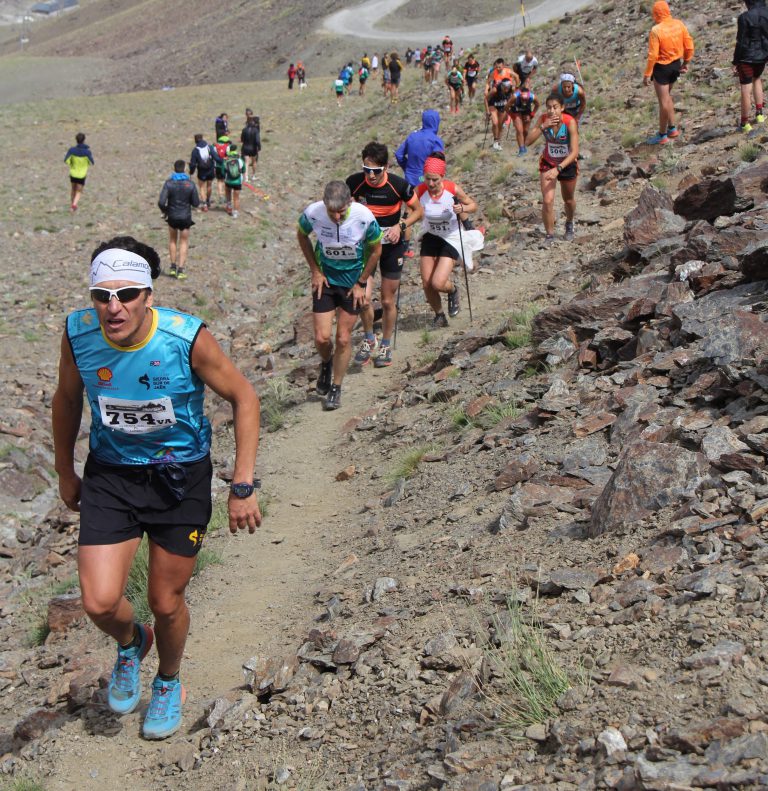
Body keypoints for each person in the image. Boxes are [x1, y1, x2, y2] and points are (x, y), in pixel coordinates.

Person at [51, 235, 261, 741]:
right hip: (111, 475)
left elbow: (244, 397)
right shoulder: (79, 333)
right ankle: (131, 643)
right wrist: (65, 470)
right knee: (100, 603)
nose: (113, 306)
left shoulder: (185, 338)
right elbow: (66, 399)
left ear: (148, 295)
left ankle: (167, 680)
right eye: (102, 295)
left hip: (178, 479)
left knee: (167, 601)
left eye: (125, 294)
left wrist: (242, 483)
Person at [296, 181, 382, 410]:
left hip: (352, 283)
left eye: (341, 212)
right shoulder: (312, 213)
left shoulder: (364, 217)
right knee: (322, 338)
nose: (335, 217)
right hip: (325, 280)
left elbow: (376, 250)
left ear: (349, 202)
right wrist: (314, 270)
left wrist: (361, 283)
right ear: (324, 204)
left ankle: (336, 387)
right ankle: (326, 362)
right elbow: (301, 235)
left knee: (343, 338)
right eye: (331, 212)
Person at [346, 142, 423, 368]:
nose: (370, 175)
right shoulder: (354, 182)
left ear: (386, 167)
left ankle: (386, 344)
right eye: (366, 169)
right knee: (363, 298)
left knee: (388, 299)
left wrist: (401, 225)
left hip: (391, 244)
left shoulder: (399, 185)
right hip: (367, 245)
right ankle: (369, 339)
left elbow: (418, 211)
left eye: (376, 171)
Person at [416, 154, 480, 327]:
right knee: (427, 283)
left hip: (451, 237)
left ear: (442, 177)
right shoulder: (420, 190)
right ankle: (439, 316)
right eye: (427, 179)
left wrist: (463, 208)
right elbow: (412, 210)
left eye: (435, 180)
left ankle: (452, 290)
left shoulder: (452, 189)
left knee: (438, 282)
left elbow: (473, 205)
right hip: (431, 236)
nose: (430, 184)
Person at [525, 93, 579, 243]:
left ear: (562, 107)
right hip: (548, 163)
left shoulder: (569, 122)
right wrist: (543, 127)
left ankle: (569, 222)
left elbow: (575, 151)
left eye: (555, 107)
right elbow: (527, 142)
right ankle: (549, 234)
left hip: (567, 164)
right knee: (548, 200)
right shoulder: (543, 119)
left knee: (568, 200)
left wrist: (559, 169)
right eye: (548, 108)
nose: (551, 111)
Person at [642, 0, 694, 144]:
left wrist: (647, 74)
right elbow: (689, 46)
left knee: (663, 101)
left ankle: (662, 135)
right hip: (675, 65)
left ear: (656, 13)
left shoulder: (656, 30)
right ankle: (672, 128)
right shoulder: (679, 24)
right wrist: (686, 63)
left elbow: (653, 55)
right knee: (667, 97)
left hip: (662, 68)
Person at [158, 160, 199, 279]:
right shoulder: (190, 184)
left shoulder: (168, 183)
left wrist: (165, 210)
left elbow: (161, 201)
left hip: (172, 216)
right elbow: (196, 203)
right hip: (185, 217)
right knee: (184, 242)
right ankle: (181, 269)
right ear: (184, 169)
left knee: (172, 240)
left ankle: (172, 266)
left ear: (174, 168)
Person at [732, 0, 768, 132]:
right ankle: (759, 114)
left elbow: (740, 41)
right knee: (757, 79)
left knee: (745, 90)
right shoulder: (766, 12)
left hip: (747, 58)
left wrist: (735, 61)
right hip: (762, 56)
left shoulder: (744, 17)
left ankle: (745, 123)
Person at [395, 109, 445, 187]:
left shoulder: (412, 136)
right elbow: (438, 162)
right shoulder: (435, 140)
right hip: (426, 181)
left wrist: (407, 168)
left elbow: (399, 154)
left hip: (409, 179)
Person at [64, 132, 94, 212]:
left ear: (76, 140)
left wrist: (72, 163)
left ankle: (72, 204)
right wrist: (85, 164)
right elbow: (91, 163)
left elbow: (66, 160)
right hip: (81, 174)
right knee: (79, 191)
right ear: (84, 140)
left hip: (73, 173)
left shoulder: (71, 150)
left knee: (73, 189)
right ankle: (74, 205)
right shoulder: (87, 152)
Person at [189, 134, 219, 212]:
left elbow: (193, 164)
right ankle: (208, 200)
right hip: (210, 169)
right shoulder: (209, 147)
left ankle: (204, 204)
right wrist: (221, 162)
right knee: (209, 185)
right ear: (202, 139)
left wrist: (191, 172)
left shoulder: (195, 150)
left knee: (202, 187)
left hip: (202, 171)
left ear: (195, 140)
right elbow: (216, 157)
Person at [486, 78, 516, 150]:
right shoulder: (495, 90)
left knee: (500, 125)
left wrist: (512, 106)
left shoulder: (512, 89)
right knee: (495, 123)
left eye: (508, 88)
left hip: (503, 106)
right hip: (493, 105)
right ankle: (495, 141)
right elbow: (485, 99)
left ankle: (498, 141)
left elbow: (513, 98)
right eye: (505, 88)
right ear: (502, 86)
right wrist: (487, 111)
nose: (506, 89)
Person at [510, 87, 539, 155]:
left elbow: (537, 105)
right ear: (520, 96)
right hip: (516, 111)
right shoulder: (515, 97)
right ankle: (521, 149)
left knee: (525, 131)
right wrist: (512, 116)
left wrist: (532, 114)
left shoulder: (533, 97)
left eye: (526, 100)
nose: (524, 101)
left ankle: (523, 145)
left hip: (526, 111)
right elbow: (506, 107)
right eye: (522, 99)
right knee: (519, 130)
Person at [223, 144, 245, 219]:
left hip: (228, 181)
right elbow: (244, 170)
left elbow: (223, 172)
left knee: (228, 193)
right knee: (236, 198)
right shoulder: (240, 160)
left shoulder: (226, 160)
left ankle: (229, 207)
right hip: (237, 182)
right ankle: (235, 213)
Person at [240, 116, 261, 182]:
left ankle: (246, 177)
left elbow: (242, 139)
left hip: (245, 147)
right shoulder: (256, 130)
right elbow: (257, 140)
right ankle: (253, 176)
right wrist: (259, 147)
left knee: (246, 162)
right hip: (253, 148)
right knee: (254, 161)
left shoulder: (244, 130)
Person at [213, 135, 232, 204]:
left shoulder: (215, 147)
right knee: (225, 181)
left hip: (217, 166)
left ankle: (220, 196)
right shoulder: (227, 147)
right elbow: (229, 156)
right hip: (225, 166)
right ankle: (226, 196)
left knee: (219, 181)